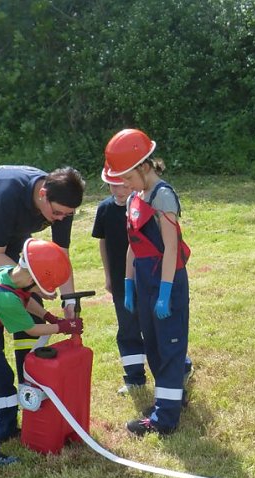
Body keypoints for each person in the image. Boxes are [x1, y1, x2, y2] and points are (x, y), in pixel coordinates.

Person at [0, 238, 85, 467]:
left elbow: (26, 302)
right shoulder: (5, 298)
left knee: (3, 379)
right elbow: (29, 328)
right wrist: (62, 327)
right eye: (43, 287)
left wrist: (48, 316)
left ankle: (7, 430)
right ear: (32, 278)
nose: (45, 293)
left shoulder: (10, 273)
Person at [0, 165, 85, 381]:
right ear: (42, 195)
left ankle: (29, 379)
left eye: (67, 215)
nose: (60, 219)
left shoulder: (62, 207)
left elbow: (61, 257)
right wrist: (33, 281)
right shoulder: (7, 195)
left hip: (13, 232)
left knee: (26, 294)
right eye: (56, 213)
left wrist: (68, 302)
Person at [103, 129, 191, 436]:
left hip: (166, 278)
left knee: (168, 342)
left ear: (143, 166)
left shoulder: (162, 196)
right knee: (152, 342)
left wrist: (165, 293)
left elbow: (171, 249)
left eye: (126, 177)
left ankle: (165, 418)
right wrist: (128, 283)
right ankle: (170, 398)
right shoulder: (134, 198)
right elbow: (133, 244)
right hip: (143, 278)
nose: (123, 185)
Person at [92, 162, 148, 393]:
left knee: (155, 325)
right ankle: (134, 378)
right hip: (119, 280)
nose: (118, 190)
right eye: (113, 186)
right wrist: (108, 277)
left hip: (145, 277)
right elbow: (103, 244)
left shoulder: (142, 206)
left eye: (123, 185)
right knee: (127, 328)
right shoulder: (104, 210)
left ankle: (179, 367)